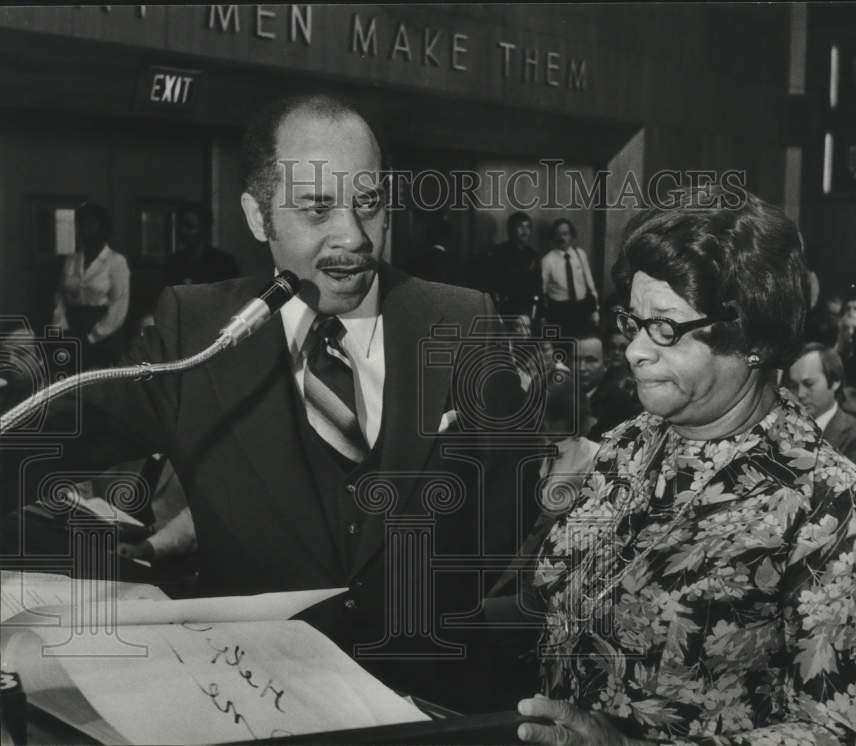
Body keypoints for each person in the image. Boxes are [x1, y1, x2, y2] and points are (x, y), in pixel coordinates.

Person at [11, 93, 529, 711]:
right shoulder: (195, 330)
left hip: (434, 703)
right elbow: (55, 429)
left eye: (368, 204)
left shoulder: (463, 320)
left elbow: (510, 525)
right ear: (258, 218)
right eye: (317, 209)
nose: (353, 237)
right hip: (255, 701)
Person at [516, 187, 856, 745]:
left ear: (751, 336)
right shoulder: (629, 444)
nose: (633, 352)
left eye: (667, 329)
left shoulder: (837, 512)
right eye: (633, 322)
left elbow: (834, 734)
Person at [52, 202, 130, 369]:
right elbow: (60, 297)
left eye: (90, 225)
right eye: (80, 225)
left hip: (103, 333)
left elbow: (119, 306)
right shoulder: (72, 260)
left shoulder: (116, 261)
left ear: (103, 229)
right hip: (73, 328)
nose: (83, 230)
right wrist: (60, 327)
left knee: (97, 382)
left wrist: (93, 337)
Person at [787, 342, 856, 470]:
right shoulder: (784, 431)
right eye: (794, 386)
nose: (800, 394)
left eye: (809, 384)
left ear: (835, 382)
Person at [575, 332, 641, 442]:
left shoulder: (619, 401)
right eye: (576, 360)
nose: (582, 368)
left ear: (605, 362)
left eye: (590, 360)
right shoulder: (563, 394)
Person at [541, 218, 600, 336]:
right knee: (565, 347)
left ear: (571, 235)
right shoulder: (547, 260)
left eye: (565, 234)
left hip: (581, 310)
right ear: (553, 236)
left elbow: (589, 283)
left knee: (582, 348)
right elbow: (542, 291)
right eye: (558, 234)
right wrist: (543, 317)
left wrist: (595, 310)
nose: (562, 238)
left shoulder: (580, 254)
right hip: (560, 312)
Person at [481, 212, 543, 317]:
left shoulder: (533, 256)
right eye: (520, 227)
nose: (525, 231)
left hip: (527, 311)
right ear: (511, 230)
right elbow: (491, 284)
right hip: (504, 310)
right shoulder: (498, 252)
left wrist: (539, 314)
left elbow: (538, 287)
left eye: (528, 227)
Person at [162, 203, 241, 286]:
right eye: (181, 225)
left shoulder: (224, 263)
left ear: (204, 229)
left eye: (190, 226)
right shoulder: (173, 262)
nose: (183, 230)